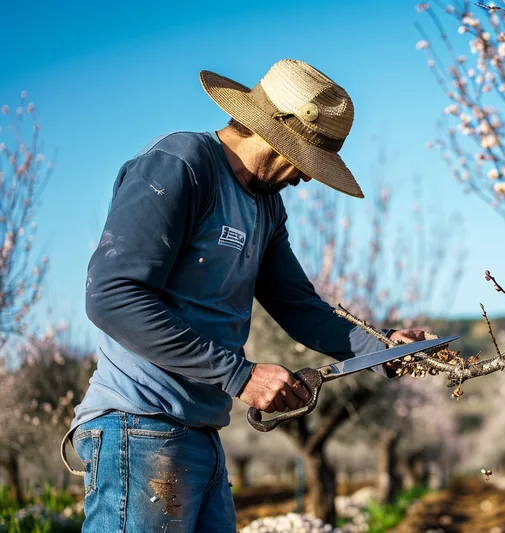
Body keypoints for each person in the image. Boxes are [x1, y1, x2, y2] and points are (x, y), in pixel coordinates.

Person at [61, 59, 434, 533]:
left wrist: (383, 348)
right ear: (274, 133)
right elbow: (111, 295)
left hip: (200, 435)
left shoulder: (266, 207)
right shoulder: (181, 166)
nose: (307, 178)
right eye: (306, 162)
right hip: (139, 427)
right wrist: (240, 375)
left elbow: (300, 308)